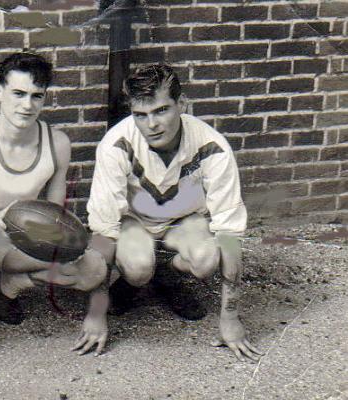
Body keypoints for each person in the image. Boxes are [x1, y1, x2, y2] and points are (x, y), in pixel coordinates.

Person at [0, 52, 108, 371]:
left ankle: (12, 286)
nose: (27, 104)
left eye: (36, 96)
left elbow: (54, 217)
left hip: (20, 243)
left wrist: (70, 237)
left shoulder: (57, 144)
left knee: (93, 267)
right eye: (18, 93)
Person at [86, 64, 264, 361]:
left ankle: (166, 278)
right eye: (140, 115)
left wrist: (231, 318)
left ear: (182, 104)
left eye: (161, 110)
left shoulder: (212, 146)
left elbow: (229, 234)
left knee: (207, 259)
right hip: (136, 223)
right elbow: (104, 232)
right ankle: (138, 280)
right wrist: (95, 313)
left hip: (184, 221)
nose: (151, 124)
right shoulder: (115, 145)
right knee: (139, 268)